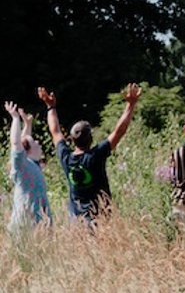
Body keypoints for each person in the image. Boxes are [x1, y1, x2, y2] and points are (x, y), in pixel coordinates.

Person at [41, 83, 140, 224]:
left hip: (76, 223)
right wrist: (130, 105)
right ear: (91, 138)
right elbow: (119, 131)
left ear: (72, 139)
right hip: (100, 220)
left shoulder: (66, 157)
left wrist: (50, 107)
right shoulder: (96, 156)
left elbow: (55, 131)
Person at [6, 102, 50, 231]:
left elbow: (25, 141)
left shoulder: (32, 163)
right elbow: (16, 143)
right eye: (34, 141)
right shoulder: (22, 165)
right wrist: (15, 119)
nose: (37, 142)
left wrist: (28, 125)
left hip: (40, 228)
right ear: (27, 151)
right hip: (24, 229)